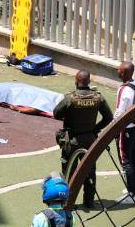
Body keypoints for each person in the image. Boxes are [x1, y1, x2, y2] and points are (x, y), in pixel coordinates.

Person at [53, 70, 114, 208]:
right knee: (89, 171)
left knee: (69, 172)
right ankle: (89, 201)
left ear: (76, 80)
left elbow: (56, 114)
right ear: (89, 81)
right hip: (90, 139)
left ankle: (68, 202)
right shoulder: (98, 97)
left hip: (72, 140)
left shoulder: (70, 98)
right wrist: (96, 129)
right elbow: (108, 118)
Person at [115, 61, 135, 199]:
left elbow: (119, 112)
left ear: (124, 73)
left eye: (119, 69)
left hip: (126, 129)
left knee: (126, 160)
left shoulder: (125, 89)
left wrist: (113, 128)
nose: (117, 71)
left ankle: (131, 193)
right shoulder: (134, 85)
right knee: (133, 158)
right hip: (134, 127)